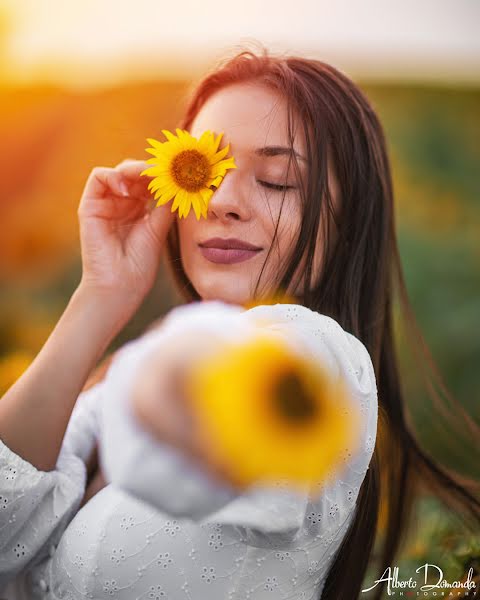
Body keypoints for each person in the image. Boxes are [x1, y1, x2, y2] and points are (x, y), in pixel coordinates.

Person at [0, 44, 478, 600]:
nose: (222, 201)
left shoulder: (317, 361)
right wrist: (100, 295)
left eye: (277, 179)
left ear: (350, 221)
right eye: (201, 171)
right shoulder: (125, 377)